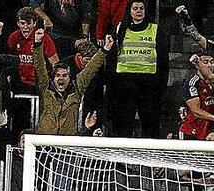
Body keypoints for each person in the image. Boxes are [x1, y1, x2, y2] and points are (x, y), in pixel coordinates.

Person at [108, 0, 169, 138]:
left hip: (149, 84)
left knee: (150, 123)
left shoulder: (155, 29)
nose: (139, 11)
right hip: (124, 82)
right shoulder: (119, 28)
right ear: (129, 11)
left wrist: (162, 83)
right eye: (135, 8)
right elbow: (112, 57)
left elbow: (163, 60)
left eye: (141, 8)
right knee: (123, 123)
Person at [35, 29, 112, 135]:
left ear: (69, 77)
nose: (61, 78)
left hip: (68, 143)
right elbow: (39, 66)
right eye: (58, 75)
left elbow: (91, 68)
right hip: (45, 142)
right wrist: (37, 44)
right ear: (53, 78)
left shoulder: (77, 88)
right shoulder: (46, 88)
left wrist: (105, 49)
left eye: (65, 75)